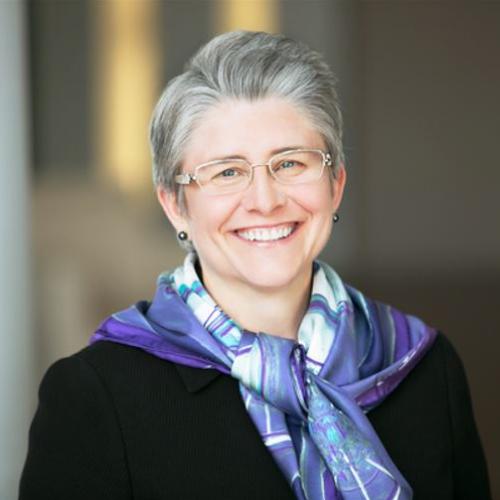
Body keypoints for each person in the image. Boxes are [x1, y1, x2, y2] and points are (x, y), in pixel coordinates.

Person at [19, 31, 490, 500]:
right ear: (175, 205)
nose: (265, 201)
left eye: (291, 164)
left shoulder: (425, 368)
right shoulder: (95, 397)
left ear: (336, 184)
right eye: (227, 172)